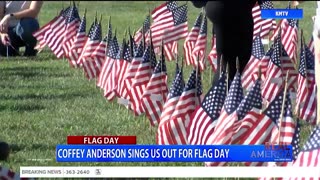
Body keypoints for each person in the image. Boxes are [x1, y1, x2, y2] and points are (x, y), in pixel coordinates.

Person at [191, 1, 261, 83]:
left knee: (231, 61)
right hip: (230, 9)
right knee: (229, 64)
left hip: (230, 9)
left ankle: (223, 91)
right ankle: (222, 92)